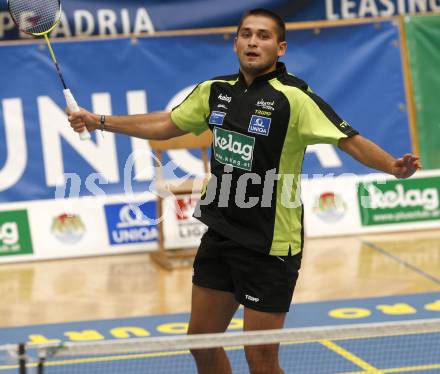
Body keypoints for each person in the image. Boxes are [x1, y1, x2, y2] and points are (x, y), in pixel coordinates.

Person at [68, 8, 421, 374]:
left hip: (269, 244)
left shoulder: (295, 98)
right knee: (201, 343)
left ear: (280, 47)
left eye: (264, 35)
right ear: (235, 42)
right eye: (246, 34)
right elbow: (168, 123)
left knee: (261, 360)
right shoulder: (215, 91)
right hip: (221, 231)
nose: (253, 41)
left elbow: (350, 141)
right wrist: (101, 122)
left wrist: (393, 167)